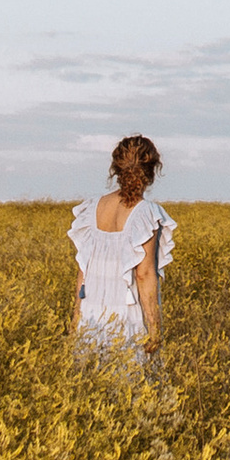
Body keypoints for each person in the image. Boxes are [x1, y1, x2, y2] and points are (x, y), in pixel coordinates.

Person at [70, 133, 176, 359]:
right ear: (152, 170)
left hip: (92, 314)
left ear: (116, 168)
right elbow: (144, 274)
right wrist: (154, 329)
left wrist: (75, 319)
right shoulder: (146, 212)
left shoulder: (92, 208)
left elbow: (83, 272)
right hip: (126, 315)